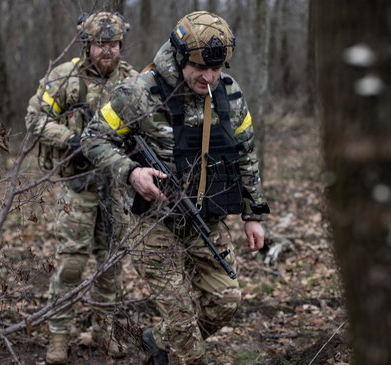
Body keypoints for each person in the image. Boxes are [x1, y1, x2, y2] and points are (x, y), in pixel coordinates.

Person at [81, 11, 270, 364]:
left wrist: (253, 214)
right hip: (153, 223)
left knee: (225, 302)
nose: (209, 76)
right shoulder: (138, 92)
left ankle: (158, 340)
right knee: (184, 326)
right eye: (200, 67)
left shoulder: (229, 94)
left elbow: (245, 153)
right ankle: (181, 348)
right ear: (181, 56)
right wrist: (131, 171)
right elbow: (93, 138)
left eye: (216, 68)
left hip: (206, 217)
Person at [24, 11, 138, 364]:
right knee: (71, 263)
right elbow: (35, 117)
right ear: (88, 45)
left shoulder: (133, 81)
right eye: (101, 44)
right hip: (77, 184)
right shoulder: (66, 78)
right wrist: (69, 138)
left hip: (116, 187)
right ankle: (58, 337)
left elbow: (150, 125)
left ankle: (106, 332)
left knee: (112, 264)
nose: (108, 51)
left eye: (114, 44)